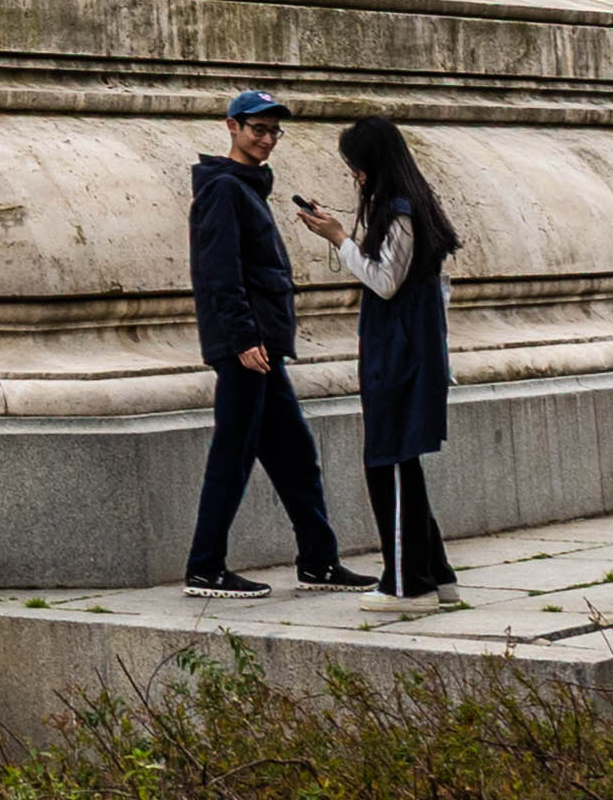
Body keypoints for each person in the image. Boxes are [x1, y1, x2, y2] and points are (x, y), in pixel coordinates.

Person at [182, 85, 356, 595]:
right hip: (247, 348)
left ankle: (319, 561)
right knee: (232, 456)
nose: (267, 139)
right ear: (232, 127)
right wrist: (241, 337)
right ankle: (205, 567)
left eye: (274, 131)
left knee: (296, 455)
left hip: (264, 348)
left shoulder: (248, 187)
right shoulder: (224, 188)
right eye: (258, 129)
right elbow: (219, 271)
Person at [297, 115, 462, 604]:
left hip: (399, 355)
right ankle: (436, 575)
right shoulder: (408, 208)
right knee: (400, 463)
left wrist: (338, 239)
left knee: (386, 463)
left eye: (356, 166)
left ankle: (407, 584)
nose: (355, 176)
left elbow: (384, 281)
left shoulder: (400, 211)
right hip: (406, 349)